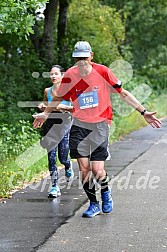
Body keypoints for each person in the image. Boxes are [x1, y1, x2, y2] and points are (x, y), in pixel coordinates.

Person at [33, 41, 161, 217]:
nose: (82, 62)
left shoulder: (103, 72)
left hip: (100, 125)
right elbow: (58, 97)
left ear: (91, 56)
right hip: (79, 125)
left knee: (97, 170)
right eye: (78, 59)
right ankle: (93, 204)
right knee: (84, 169)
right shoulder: (70, 75)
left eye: (85, 58)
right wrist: (46, 114)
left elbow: (123, 93)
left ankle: (106, 192)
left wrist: (143, 112)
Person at [38, 65, 74, 198]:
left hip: (64, 124)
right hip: (50, 125)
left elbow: (74, 108)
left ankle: (68, 165)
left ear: (62, 75)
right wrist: (42, 107)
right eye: (51, 74)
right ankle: (54, 186)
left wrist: (61, 106)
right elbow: (45, 108)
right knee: (51, 157)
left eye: (56, 74)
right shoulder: (47, 90)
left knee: (62, 155)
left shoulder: (69, 90)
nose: (53, 76)